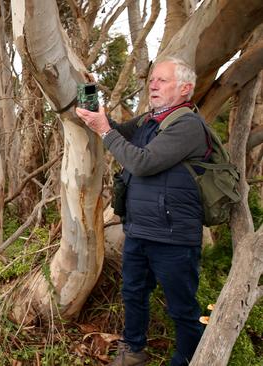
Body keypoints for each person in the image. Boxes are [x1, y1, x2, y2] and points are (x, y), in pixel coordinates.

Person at [76, 57, 207, 366]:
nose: (153, 84)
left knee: (182, 306)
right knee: (133, 293)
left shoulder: (187, 124)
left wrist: (105, 130)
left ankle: (189, 357)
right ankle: (133, 349)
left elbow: (141, 162)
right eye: (152, 79)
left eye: (162, 80)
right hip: (138, 230)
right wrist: (96, 112)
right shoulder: (149, 120)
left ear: (185, 88)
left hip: (174, 236)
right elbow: (117, 134)